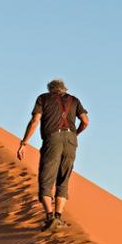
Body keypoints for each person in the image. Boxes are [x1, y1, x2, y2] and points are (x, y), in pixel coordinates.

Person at [17, 78, 89, 231]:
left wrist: (24, 143)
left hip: (53, 139)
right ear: (64, 89)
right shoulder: (74, 100)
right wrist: (75, 134)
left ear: (50, 89)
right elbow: (85, 121)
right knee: (63, 179)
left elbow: (35, 120)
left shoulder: (43, 98)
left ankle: (50, 217)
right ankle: (58, 217)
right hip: (71, 141)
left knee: (46, 179)